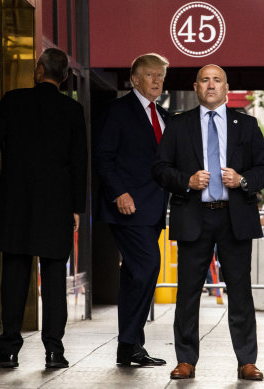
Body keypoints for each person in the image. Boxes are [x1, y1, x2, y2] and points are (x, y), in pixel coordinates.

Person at [0, 48, 87, 368]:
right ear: (63, 77)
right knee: (53, 280)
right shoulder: (72, 110)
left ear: (38, 70)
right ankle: (54, 351)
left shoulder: (13, 101)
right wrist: (76, 207)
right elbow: (79, 163)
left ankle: (8, 349)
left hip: (16, 205)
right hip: (56, 206)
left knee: (14, 277)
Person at [152, 64, 264, 381]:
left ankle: (247, 360)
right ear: (195, 87)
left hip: (235, 218)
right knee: (188, 292)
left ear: (226, 87)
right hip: (194, 216)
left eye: (216, 80)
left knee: (240, 291)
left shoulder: (246, 125)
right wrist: (187, 181)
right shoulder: (179, 125)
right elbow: (160, 168)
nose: (210, 85)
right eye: (204, 80)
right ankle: (185, 360)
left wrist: (243, 179)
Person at [95, 53, 169, 367]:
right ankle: (129, 341)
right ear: (134, 78)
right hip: (127, 207)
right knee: (150, 264)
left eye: (161, 76)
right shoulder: (117, 111)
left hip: (154, 208)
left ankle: (129, 347)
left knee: (133, 275)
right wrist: (119, 193)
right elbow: (103, 157)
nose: (157, 81)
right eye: (151, 75)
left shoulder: (166, 116)